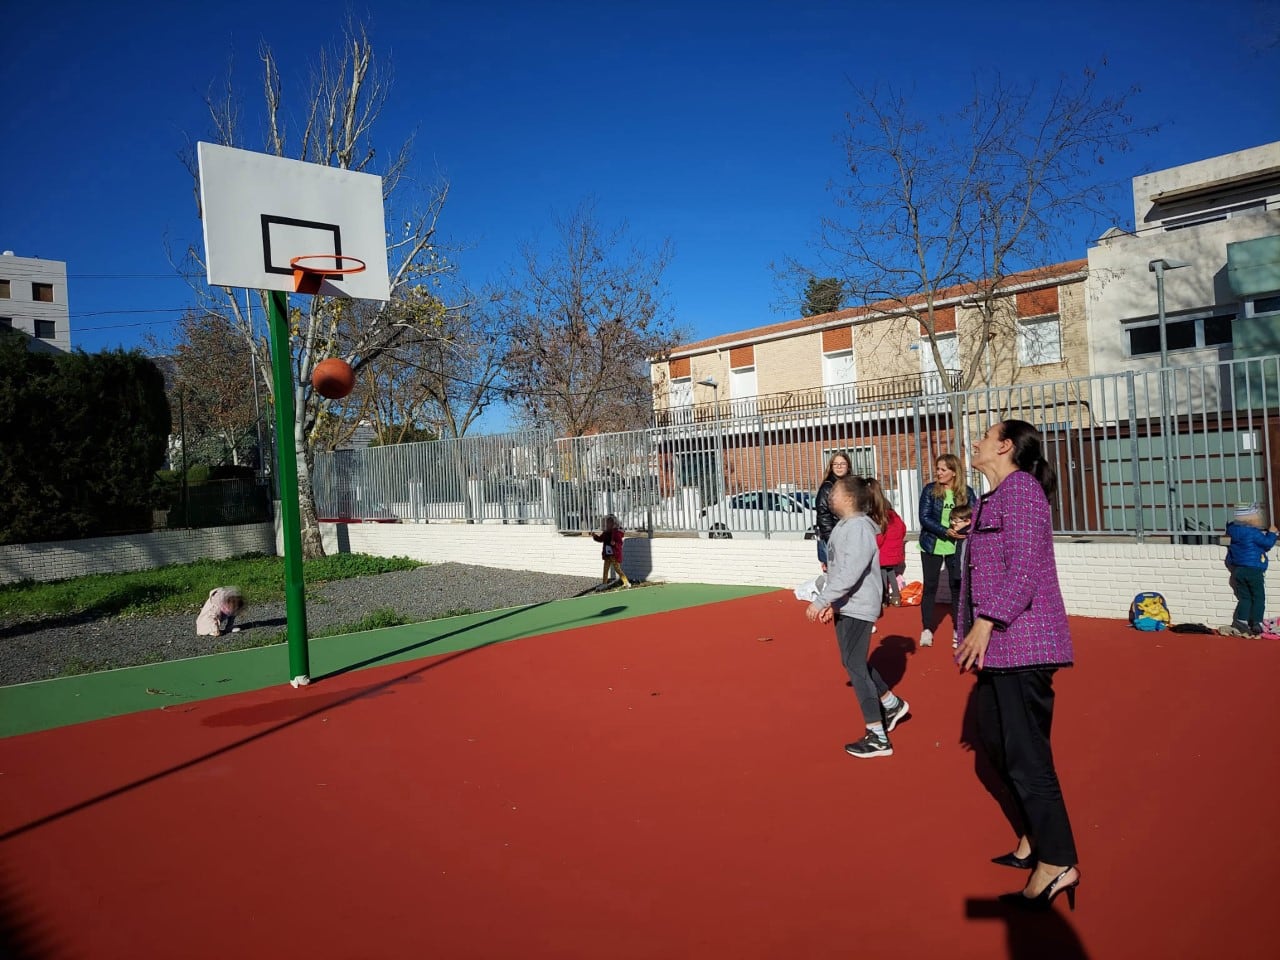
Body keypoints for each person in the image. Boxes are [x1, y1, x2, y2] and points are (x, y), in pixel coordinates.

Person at [955, 419, 1080, 912]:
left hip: (1023, 644)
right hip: (997, 649)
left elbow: (1026, 567)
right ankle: (1034, 837)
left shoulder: (1022, 491)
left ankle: (1059, 861)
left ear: (1005, 446)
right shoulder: (993, 497)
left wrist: (986, 622)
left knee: (1027, 758)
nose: (976, 442)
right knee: (996, 744)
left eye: (985, 435)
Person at [805, 474, 910, 758]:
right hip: (848, 604)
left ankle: (877, 736)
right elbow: (839, 570)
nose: (829, 495)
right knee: (852, 662)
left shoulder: (860, 528)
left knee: (853, 666)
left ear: (848, 498)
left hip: (859, 605)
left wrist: (824, 600)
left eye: (835, 492)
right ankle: (890, 704)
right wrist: (833, 602)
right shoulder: (846, 526)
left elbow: (851, 571)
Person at [917, 453, 976, 647]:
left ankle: (959, 629)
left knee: (956, 587)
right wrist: (946, 531)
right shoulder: (929, 491)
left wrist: (963, 531)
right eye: (938, 469)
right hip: (932, 544)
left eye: (943, 469)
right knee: (930, 586)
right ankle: (926, 629)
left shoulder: (966, 492)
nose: (939, 473)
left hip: (956, 547)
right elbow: (924, 517)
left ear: (953, 472)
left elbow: (974, 517)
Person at [1223, 502, 1277, 636]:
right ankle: (1256, 622)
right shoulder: (1253, 532)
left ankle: (1241, 620)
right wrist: (1272, 533)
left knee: (1245, 597)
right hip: (1254, 569)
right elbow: (1267, 544)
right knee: (1258, 597)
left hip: (1238, 570)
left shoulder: (1233, 531)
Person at [866, 477, 907, 606]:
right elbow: (902, 529)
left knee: (882, 573)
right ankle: (895, 596)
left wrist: (872, 546)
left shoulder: (877, 513)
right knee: (890, 573)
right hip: (894, 552)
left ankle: (884, 597)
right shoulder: (891, 512)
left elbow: (880, 537)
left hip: (883, 552)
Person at [813, 453, 853, 571]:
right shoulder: (827, 487)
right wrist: (831, 538)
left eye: (842, 464)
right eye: (835, 464)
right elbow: (823, 514)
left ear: (848, 466)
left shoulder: (852, 485)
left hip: (850, 534)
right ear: (831, 467)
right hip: (836, 536)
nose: (839, 467)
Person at [591, 515, 632, 589]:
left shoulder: (616, 533)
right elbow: (601, 539)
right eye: (606, 523)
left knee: (617, 569)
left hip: (614, 555)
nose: (606, 525)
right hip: (607, 554)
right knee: (605, 569)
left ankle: (626, 582)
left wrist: (615, 544)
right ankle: (604, 583)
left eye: (608, 523)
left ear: (613, 524)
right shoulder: (606, 532)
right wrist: (594, 536)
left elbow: (620, 543)